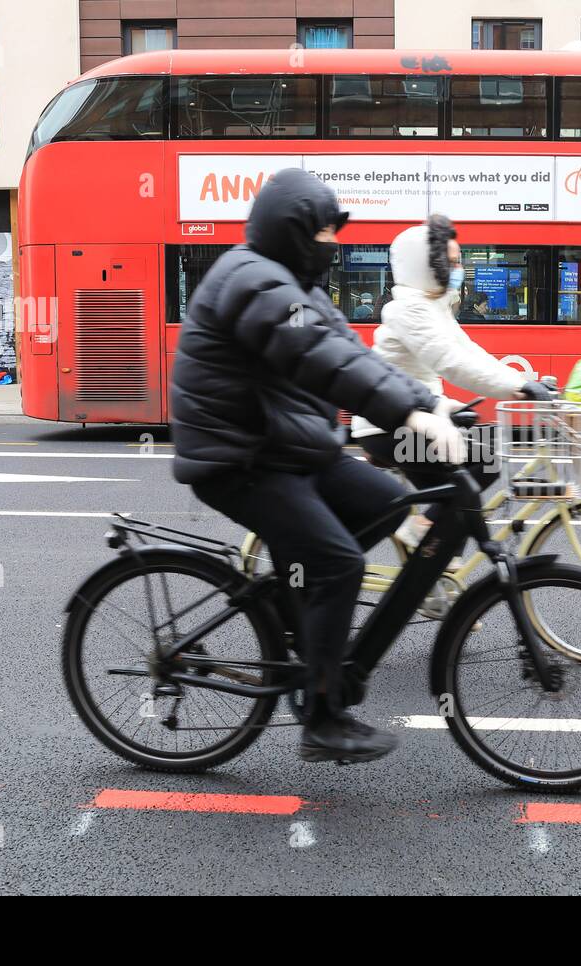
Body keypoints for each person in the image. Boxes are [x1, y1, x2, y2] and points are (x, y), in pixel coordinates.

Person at [169, 168, 465, 765]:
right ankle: (324, 716)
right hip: (238, 457)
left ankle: (296, 597)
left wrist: (431, 402)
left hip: (290, 448)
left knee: (384, 503)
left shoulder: (301, 289)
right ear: (294, 230)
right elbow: (320, 356)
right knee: (337, 563)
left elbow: (353, 356)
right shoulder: (254, 281)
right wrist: (412, 411)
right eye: (324, 233)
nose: (332, 244)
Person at [350, 215, 551, 542]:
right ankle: (422, 537)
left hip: (412, 421)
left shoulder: (433, 307)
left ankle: (437, 568)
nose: (458, 270)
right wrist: (517, 388)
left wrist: (527, 382)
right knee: (483, 464)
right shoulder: (409, 310)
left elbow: (470, 351)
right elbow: (452, 363)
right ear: (424, 265)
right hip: (387, 428)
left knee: (459, 496)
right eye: (452, 263)